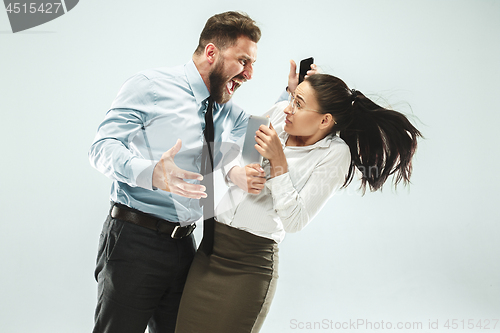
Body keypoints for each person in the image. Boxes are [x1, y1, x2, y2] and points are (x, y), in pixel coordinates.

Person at [174, 73, 422, 333]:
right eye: (293, 98)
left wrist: (279, 163)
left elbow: (295, 221)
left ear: (325, 120)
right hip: (210, 250)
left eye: (299, 104)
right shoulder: (280, 114)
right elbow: (231, 155)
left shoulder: (335, 154)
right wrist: (236, 173)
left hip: (249, 266)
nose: (290, 107)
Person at [88, 11, 265, 333]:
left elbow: (259, 131)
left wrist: (294, 95)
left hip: (186, 245)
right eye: (243, 61)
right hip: (135, 239)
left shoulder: (223, 107)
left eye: (252, 64)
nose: (249, 74)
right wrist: (151, 173)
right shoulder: (150, 86)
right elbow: (101, 148)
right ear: (212, 52)